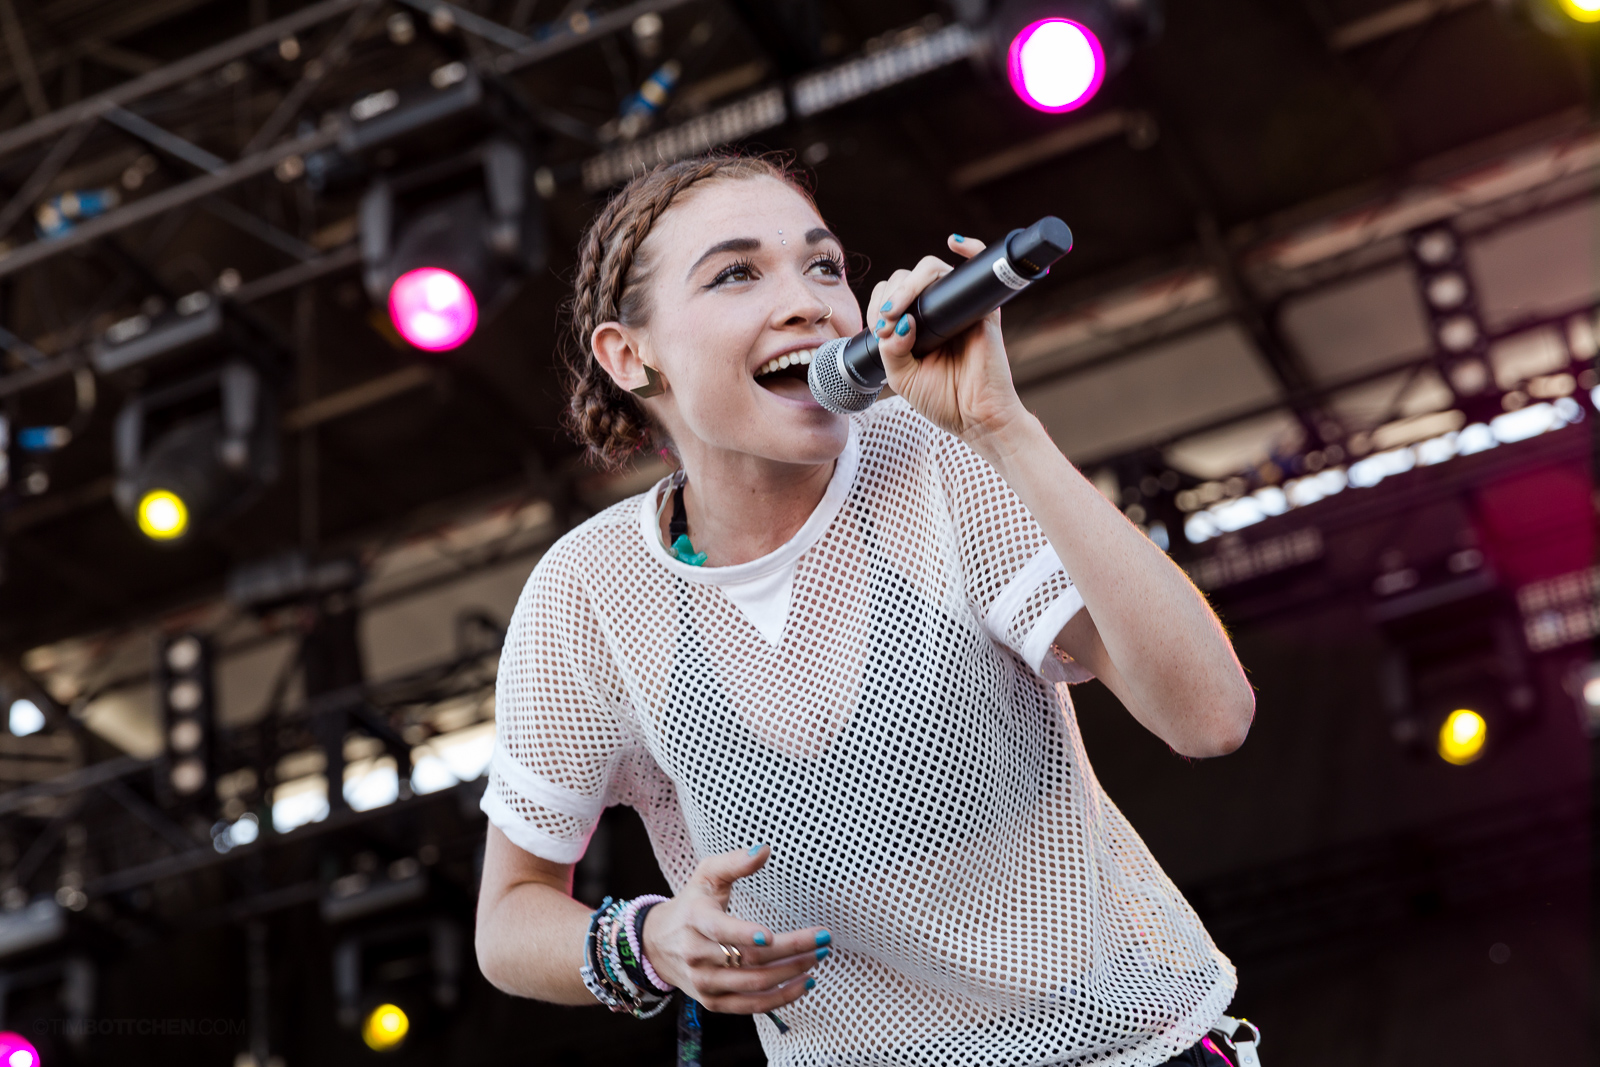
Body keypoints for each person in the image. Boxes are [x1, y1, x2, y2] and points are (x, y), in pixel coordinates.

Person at [474, 153, 1256, 1067]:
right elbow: (509, 915)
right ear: (628, 353)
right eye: (735, 273)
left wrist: (1003, 427)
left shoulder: (937, 459)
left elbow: (1211, 717)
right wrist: (647, 944)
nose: (809, 301)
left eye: (824, 266)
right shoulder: (590, 593)